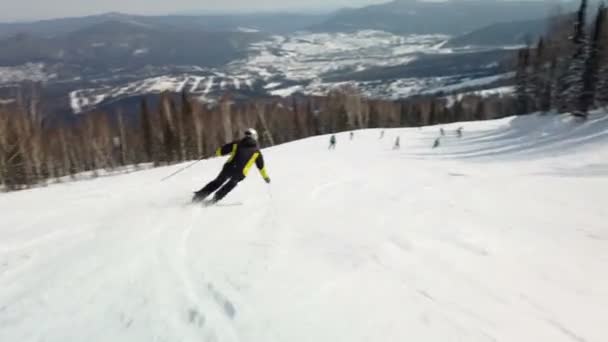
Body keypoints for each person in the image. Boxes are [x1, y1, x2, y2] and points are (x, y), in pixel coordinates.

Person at [193, 128, 270, 205]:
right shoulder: (257, 152)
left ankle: (199, 196)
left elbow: (222, 151)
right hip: (240, 172)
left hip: (229, 167)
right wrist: (265, 177)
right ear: (255, 137)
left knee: (218, 181)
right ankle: (215, 199)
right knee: (230, 185)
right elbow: (261, 166)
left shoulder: (236, 143)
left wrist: (213, 153)